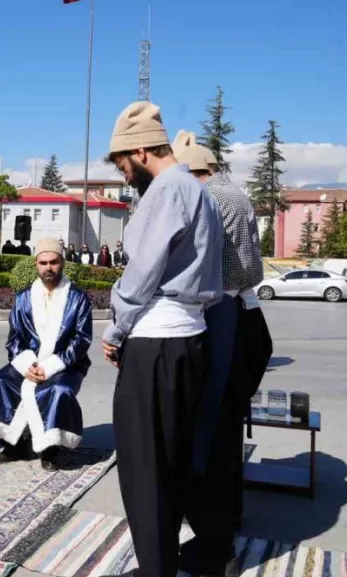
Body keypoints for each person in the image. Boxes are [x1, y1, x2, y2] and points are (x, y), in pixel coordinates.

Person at [100, 101, 224, 577]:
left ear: (139, 149)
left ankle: (155, 569)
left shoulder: (167, 190)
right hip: (188, 338)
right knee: (171, 460)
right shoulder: (195, 188)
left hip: (155, 340)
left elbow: (143, 270)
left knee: (144, 468)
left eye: (120, 162)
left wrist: (116, 329)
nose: (122, 173)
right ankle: (163, 562)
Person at [174, 131, 268, 575]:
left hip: (216, 315)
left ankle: (216, 547)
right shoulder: (236, 193)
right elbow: (252, 267)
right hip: (239, 312)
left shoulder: (207, 197)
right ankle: (225, 526)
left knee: (203, 430)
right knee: (225, 431)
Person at [0, 238, 93, 471]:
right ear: (36, 265)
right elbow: (14, 339)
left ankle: (52, 450)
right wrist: (28, 365)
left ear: (62, 263)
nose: (48, 267)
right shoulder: (23, 299)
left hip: (66, 364)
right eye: (43, 262)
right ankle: (13, 445)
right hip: (28, 362)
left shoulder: (78, 299)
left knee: (57, 390)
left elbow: (81, 340)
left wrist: (50, 367)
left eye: (53, 262)